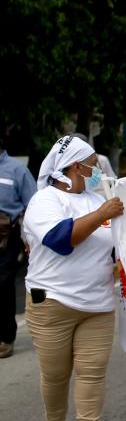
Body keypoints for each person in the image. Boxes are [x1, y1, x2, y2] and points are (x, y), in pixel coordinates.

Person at [22, 135, 124, 421]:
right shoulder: (45, 201)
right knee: (55, 373)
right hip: (52, 303)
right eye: (92, 165)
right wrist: (103, 213)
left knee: (92, 372)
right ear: (74, 167)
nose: (97, 170)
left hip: (97, 305)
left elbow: (116, 244)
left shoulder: (99, 200)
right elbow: (60, 239)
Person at [0, 137, 36, 358]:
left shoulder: (16, 170)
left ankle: (6, 337)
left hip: (6, 237)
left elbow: (33, 204)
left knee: (3, 285)